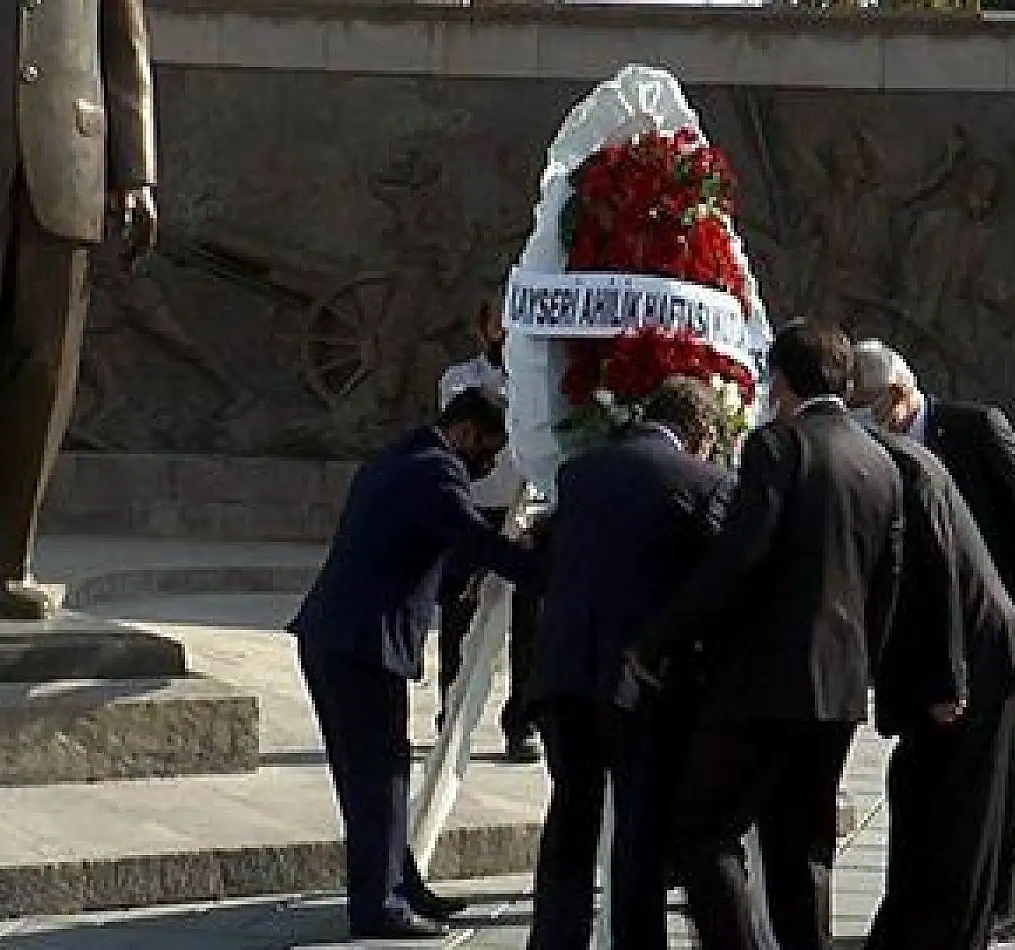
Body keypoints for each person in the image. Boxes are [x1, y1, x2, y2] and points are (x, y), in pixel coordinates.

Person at [629, 323, 904, 950]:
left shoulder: (778, 447)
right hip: (836, 691)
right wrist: (861, 668)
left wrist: (662, 638)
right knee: (803, 845)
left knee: (705, 829)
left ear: (779, 381)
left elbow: (741, 559)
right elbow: (887, 584)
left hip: (762, 685)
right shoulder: (880, 463)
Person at [286, 387, 536, 941]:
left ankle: (401, 883)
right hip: (360, 646)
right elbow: (476, 538)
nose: (487, 465)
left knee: (380, 770)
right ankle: (378, 905)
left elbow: (422, 545)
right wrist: (547, 569)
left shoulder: (399, 456)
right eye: (488, 452)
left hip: (339, 637)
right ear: (466, 432)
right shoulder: (435, 472)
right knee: (378, 776)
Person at [851, 340, 1015, 943]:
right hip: (946, 630)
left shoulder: (974, 429)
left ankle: (992, 907)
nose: (855, 417)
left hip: (992, 630)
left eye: (863, 403)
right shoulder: (888, 456)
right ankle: (943, 914)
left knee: (991, 786)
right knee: (939, 789)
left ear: (898, 397)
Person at [0, 0, 157, 629]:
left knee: (45, 367)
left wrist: (137, 172)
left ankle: (4, 561)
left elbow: (125, 51)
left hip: (70, 156)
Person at [527, 376, 736, 950]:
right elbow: (716, 582)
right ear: (700, 434)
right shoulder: (705, 482)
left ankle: (553, 941)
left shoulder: (580, 473)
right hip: (641, 682)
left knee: (571, 815)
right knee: (640, 829)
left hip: (565, 670)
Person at [858, 426, 1015, 950]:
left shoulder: (906, 471)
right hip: (960, 660)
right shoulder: (899, 460)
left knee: (960, 812)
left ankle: (949, 932)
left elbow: (938, 579)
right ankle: (919, 925)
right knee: (922, 792)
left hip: (976, 662)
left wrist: (945, 682)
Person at [436, 300, 540, 762]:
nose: (507, 328)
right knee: (458, 615)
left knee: (528, 625)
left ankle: (521, 723)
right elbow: (472, 412)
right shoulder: (462, 378)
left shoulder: (539, 377)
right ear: (484, 328)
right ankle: (450, 712)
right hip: (473, 506)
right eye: (499, 319)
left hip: (520, 510)